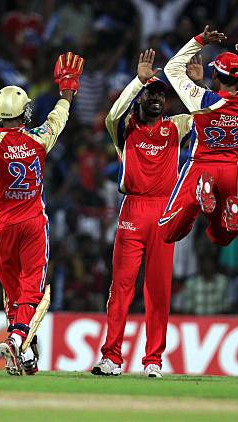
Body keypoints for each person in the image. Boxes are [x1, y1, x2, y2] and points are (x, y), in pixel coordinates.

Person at [0, 52, 84, 375]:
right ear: (26, 112)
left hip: (6, 226)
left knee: (13, 293)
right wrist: (67, 91)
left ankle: (25, 354)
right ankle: (17, 339)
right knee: (35, 290)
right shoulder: (39, 139)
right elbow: (59, 118)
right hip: (34, 224)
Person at [91, 49, 193, 378]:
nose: (156, 99)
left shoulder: (176, 127)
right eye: (151, 93)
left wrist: (195, 84)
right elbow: (112, 114)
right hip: (133, 210)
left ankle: (153, 361)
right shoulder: (125, 130)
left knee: (158, 289)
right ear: (140, 98)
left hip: (165, 212)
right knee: (121, 287)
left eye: (161, 95)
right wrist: (138, 80)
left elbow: (205, 116)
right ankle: (111, 358)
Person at [159, 25, 238, 247]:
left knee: (168, 231)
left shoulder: (202, 100)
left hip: (200, 167)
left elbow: (172, 69)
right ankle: (230, 216)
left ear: (215, 74)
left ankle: (199, 193)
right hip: (229, 170)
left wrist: (199, 40)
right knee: (222, 237)